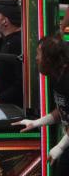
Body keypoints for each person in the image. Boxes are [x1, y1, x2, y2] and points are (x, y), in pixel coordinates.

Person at [13, 36, 69, 171]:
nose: (36, 58)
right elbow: (63, 110)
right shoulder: (56, 76)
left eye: (39, 54)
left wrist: (61, 146)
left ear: (49, 59)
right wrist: (37, 123)